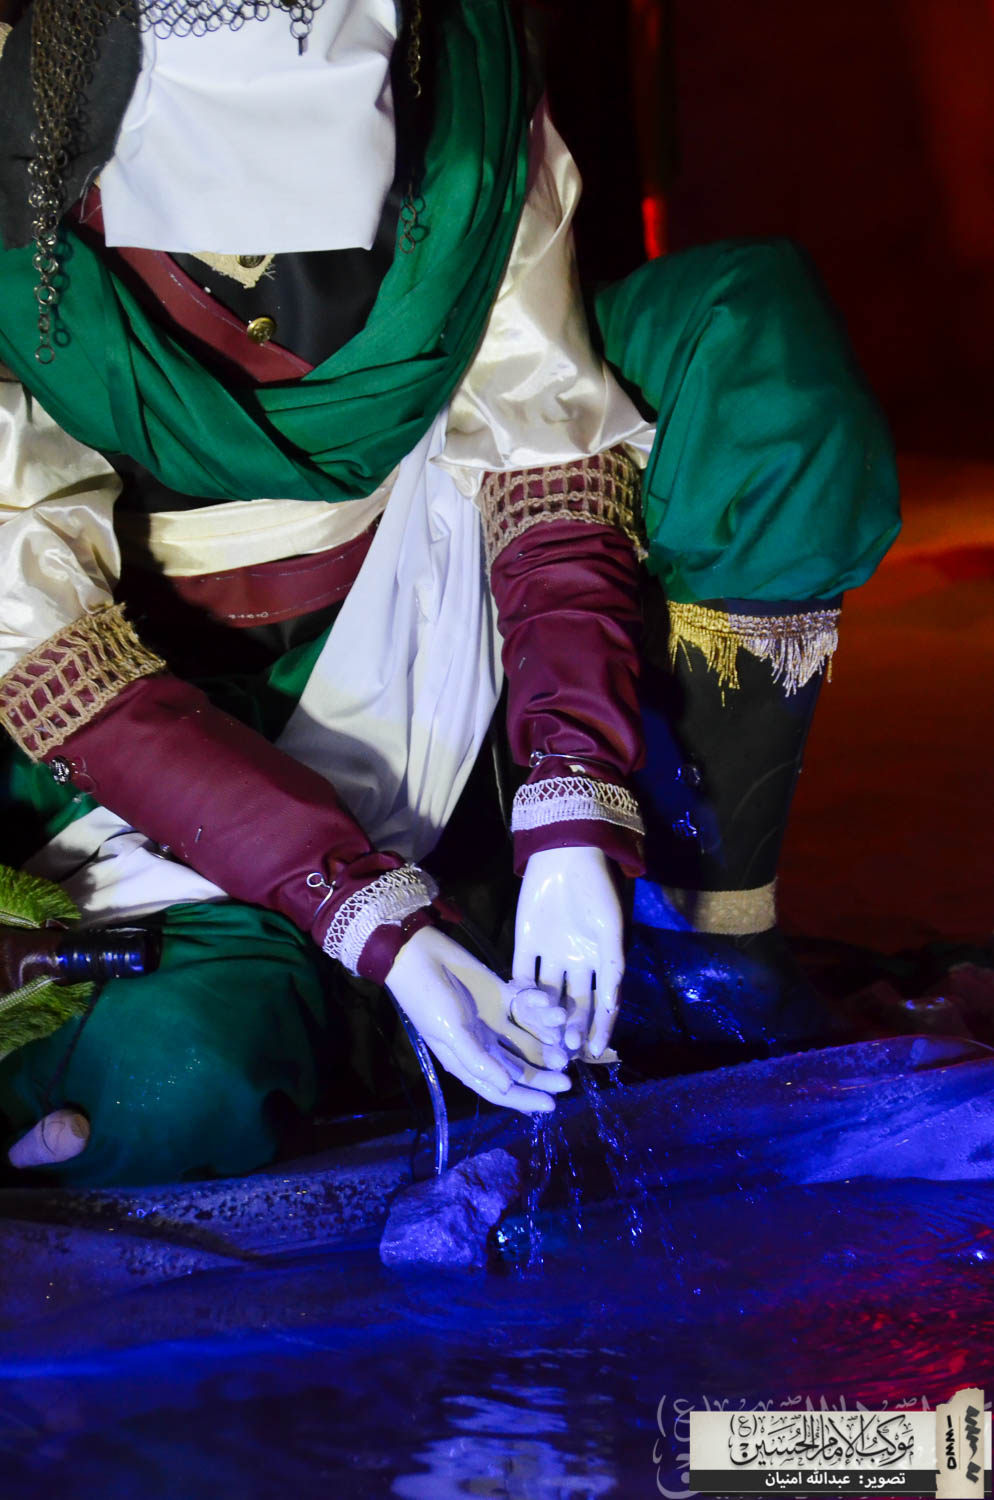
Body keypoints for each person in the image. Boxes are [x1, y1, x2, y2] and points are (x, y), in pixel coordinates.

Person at [0, 0, 900, 1186]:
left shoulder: (460, 78)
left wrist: (574, 795)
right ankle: (342, 987)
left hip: (438, 558)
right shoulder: (19, 138)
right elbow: (42, 643)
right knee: (164, 1090)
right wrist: (363, 911)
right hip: (150, 710)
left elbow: (540, 441)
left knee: (757, 343)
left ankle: (702, 934)